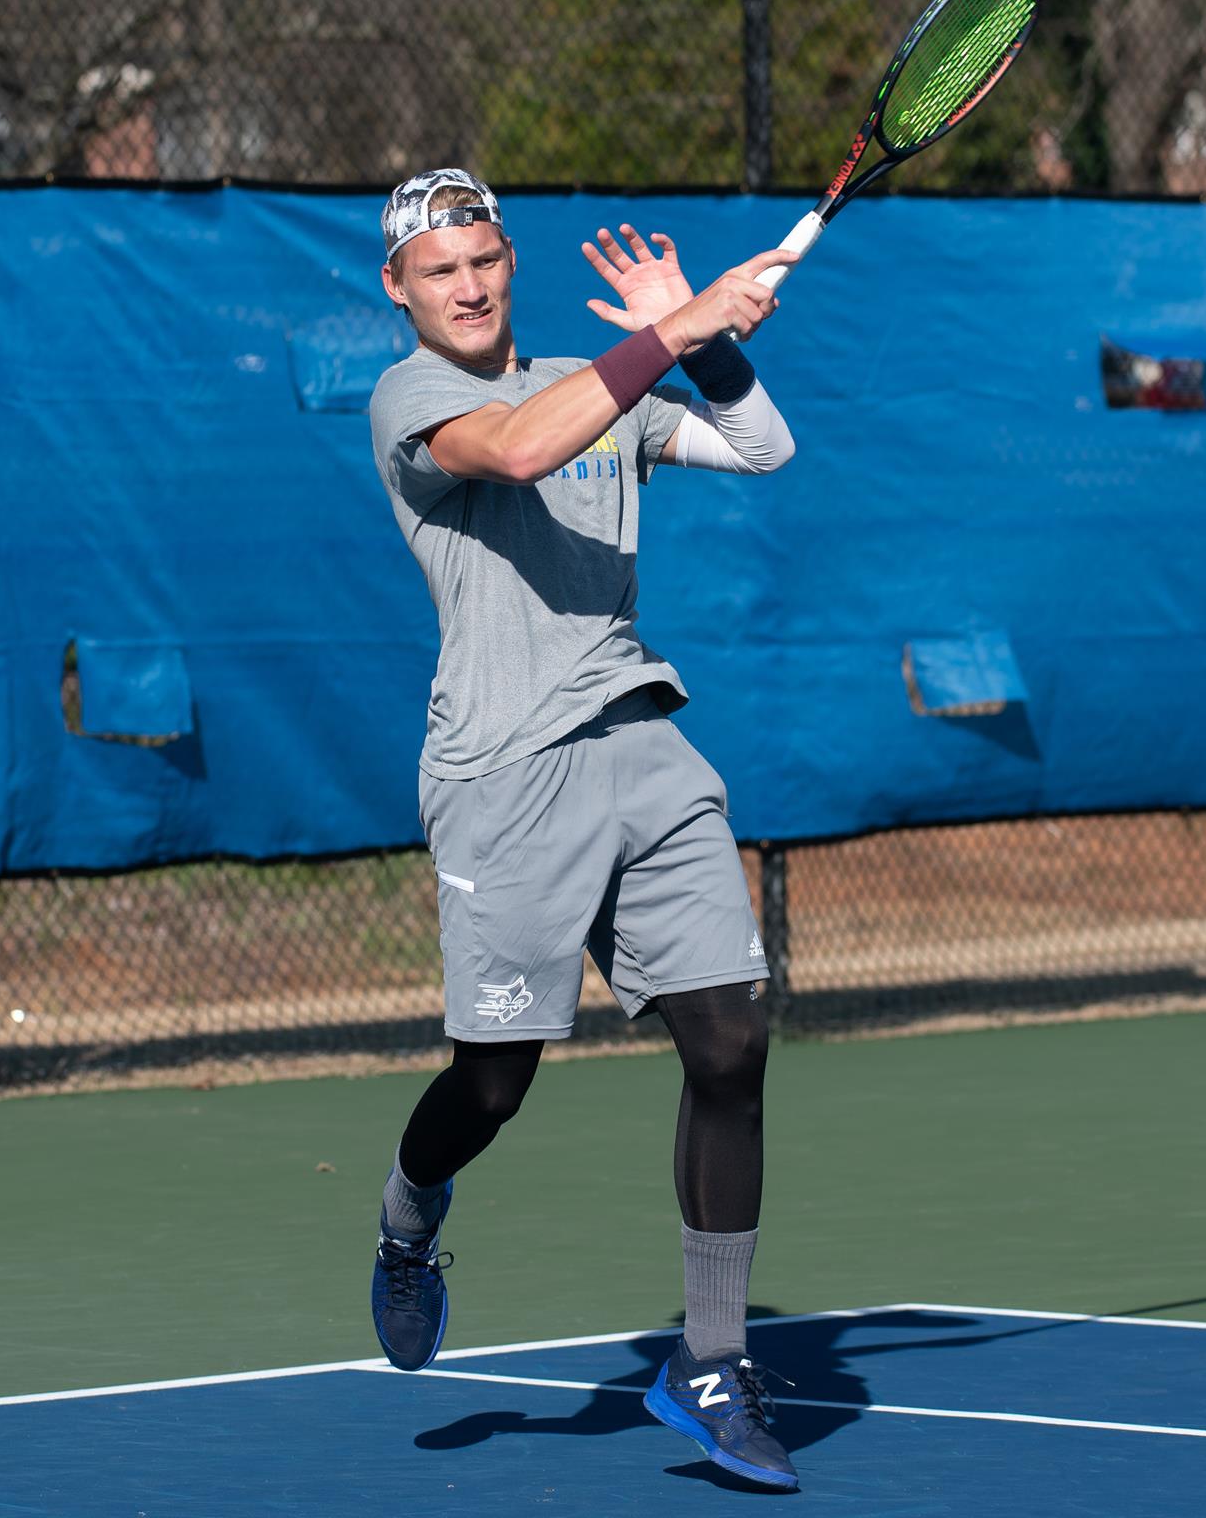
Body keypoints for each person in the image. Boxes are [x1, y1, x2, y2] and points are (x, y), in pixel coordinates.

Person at [365, 168, 803, 1491]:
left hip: (642, 743)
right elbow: (519, 449)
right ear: (401, 291)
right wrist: (667, 335)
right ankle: (405, 1222)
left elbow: (759, 447)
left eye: (487, 259)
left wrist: (711, 347)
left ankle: (713, 1362)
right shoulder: (414, 402)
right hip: (505, 777)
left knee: (730, 1042)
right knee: (496, 1080)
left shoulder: (596, 376)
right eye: (443, 270)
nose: (473, 284)